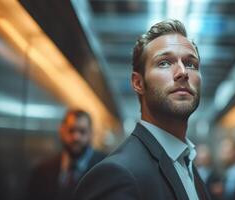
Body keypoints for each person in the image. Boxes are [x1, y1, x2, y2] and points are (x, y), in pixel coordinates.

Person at [74, 19, 211, 200]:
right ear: (138, 83)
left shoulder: (187, 163)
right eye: (164, 63)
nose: (182, 72)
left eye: (191, 64)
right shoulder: (117, 175)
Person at [27, 109, 106, 200]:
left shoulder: (104, 168)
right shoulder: (42, 171)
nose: (76, 137)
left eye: (82, 131)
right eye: (71, 130)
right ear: (62, 131)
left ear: (91, 134)